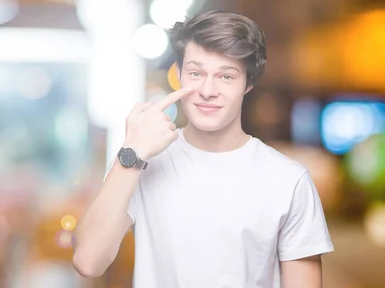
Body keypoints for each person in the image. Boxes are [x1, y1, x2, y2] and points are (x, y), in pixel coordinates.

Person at [72, 10, 334, 288]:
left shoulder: (288, 180)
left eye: (226, 76)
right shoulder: (142, 163)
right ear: (179, 74)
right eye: (196, 73)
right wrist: (131, 152)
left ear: (249, 83)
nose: (208, 90)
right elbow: (88, 261)